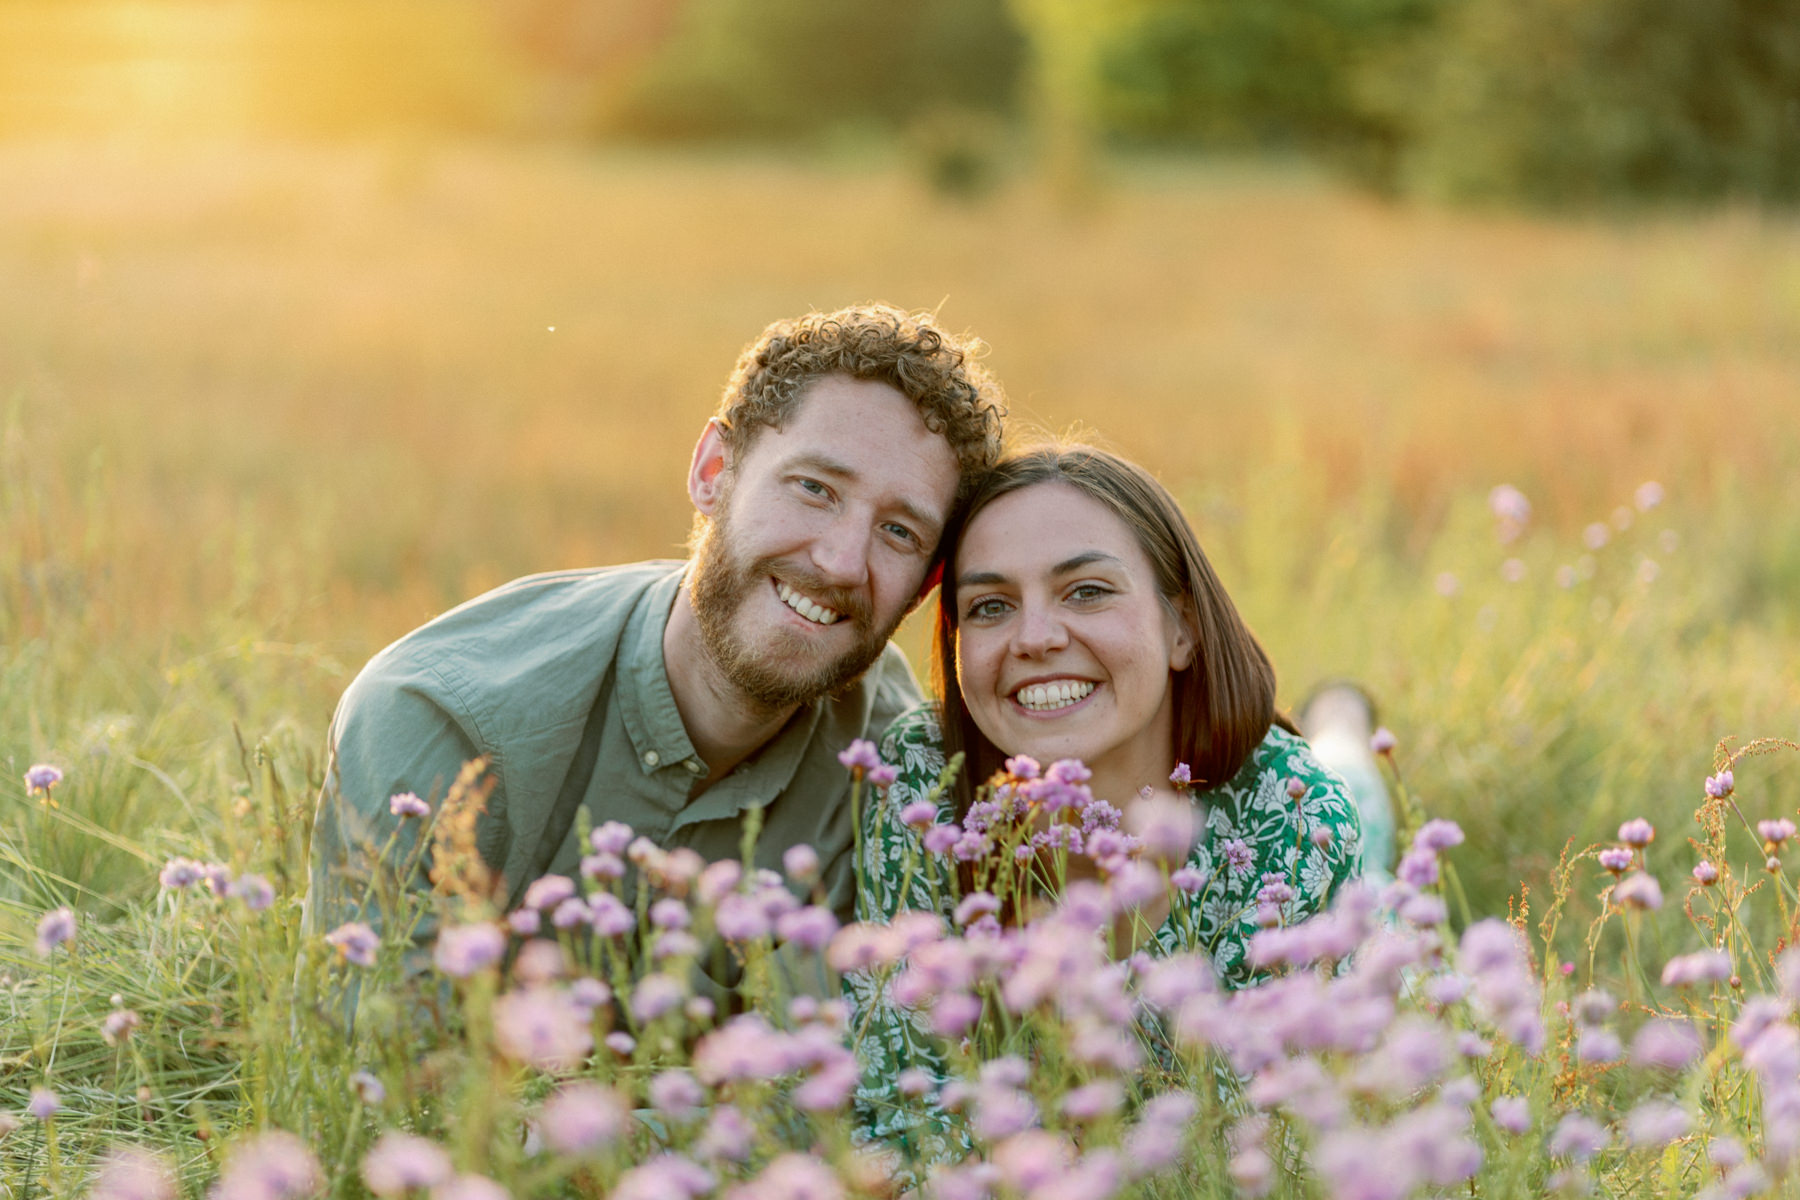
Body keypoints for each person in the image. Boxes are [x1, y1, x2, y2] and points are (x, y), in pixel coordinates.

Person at [303, 304, 1006, 998]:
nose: (842, 562)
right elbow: (380, 1070)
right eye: (815, 489)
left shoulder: (895, 775)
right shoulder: (438, 720)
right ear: (712, 471)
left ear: (925, 586)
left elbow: (876, 1078)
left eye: (900, 533)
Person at [845, 443, 1364, 1162]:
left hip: (1330, 801)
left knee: (1352, 773)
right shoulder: (920, 782)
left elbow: (1269, 1152)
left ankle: (1345, 717)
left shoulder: (1294, 814)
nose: (1036, 638)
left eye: (1086, 590)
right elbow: (896, 1115)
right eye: (991, 606)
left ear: (1181, 627)